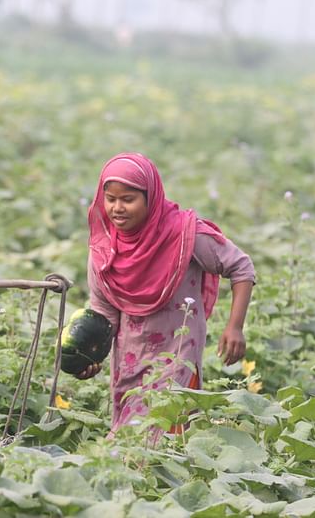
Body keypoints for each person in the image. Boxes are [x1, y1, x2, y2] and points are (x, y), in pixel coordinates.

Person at [77, 153, 255, 435]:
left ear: (151, 197)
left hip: (178, 355)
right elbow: (104, 313)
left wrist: (235, 327)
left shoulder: (184, 234)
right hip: (130, 360)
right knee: (130, 438)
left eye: (128, 199)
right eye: (110, 199)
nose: (117, 208)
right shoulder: (104, 249)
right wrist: (89, 357)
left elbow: (241, 268)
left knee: (163, 439)